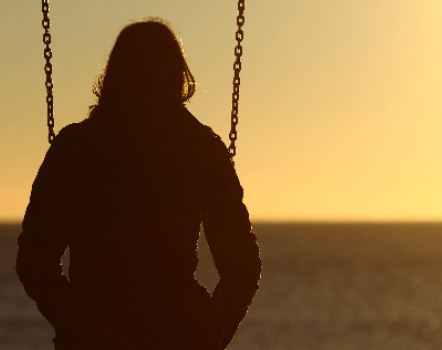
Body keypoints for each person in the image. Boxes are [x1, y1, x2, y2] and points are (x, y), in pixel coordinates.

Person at [16, 18, 261, 350]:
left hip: (95, 330)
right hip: (178, 331)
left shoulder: (74, 148)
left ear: (114, 76)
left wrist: (72, 317)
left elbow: (33, 261)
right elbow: (242, 268)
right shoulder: (201, 149)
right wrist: (210, 333)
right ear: (176, 78)